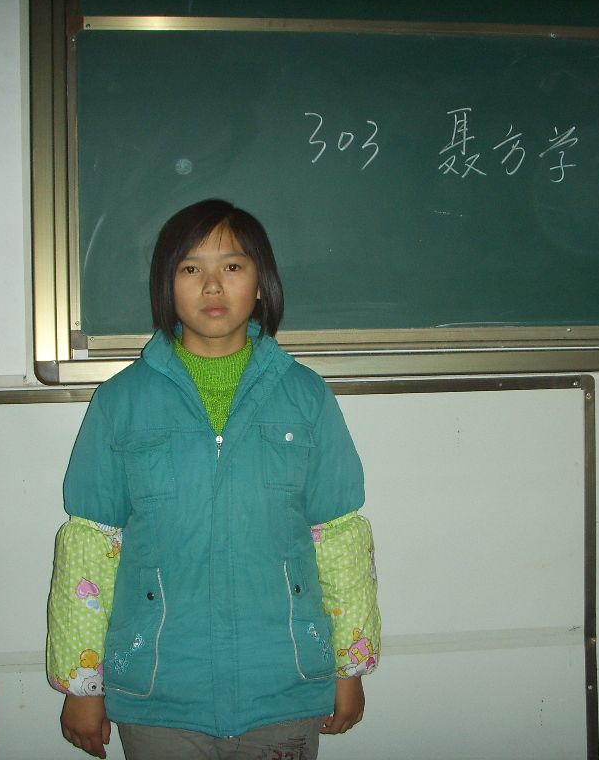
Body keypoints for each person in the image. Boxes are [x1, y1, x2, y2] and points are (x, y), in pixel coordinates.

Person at [46, 199, 381, 760]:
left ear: (261, 282)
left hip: (285, 684)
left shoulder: (306, 397)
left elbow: (339, 538)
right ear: (166, 285)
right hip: (158, 690)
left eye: (232, 266)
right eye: (190, 268)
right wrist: (82, 686)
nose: (212, 285)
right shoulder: (121, 402)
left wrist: (349, 667)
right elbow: (91, 545)